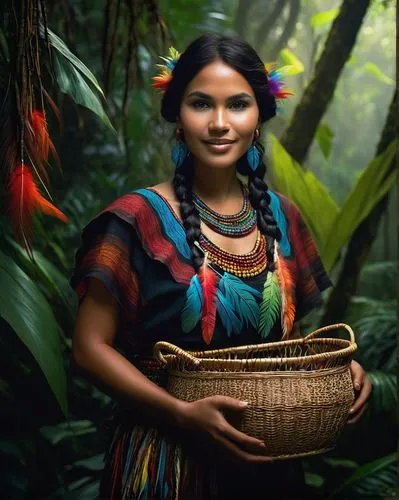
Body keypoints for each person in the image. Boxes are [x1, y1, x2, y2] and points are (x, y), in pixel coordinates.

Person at [70, 33, 372, 500]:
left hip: (268, 460)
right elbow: (89, 349)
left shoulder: (283, 215)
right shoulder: (135, 220)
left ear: (258, 119)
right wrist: (179, 413)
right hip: (166, 464)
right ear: (178, 117)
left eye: (237, 105)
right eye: (200, 104)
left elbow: (283, 346)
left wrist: (334, 372)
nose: (218, 123)